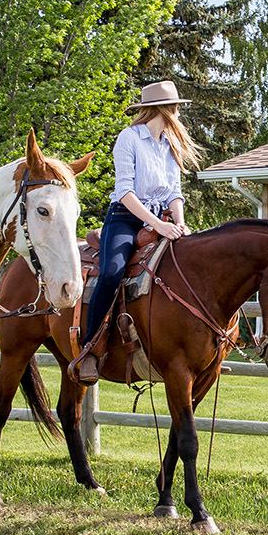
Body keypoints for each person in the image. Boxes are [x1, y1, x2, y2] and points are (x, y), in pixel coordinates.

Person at [68, 80, 200, 382]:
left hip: (163, 218)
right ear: (164, 109)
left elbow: (174, 192)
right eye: (177, 107)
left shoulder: (170, 144)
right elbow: (125, 191)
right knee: (112, 272)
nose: (179, 113)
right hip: (125, 218)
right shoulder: (129, 138)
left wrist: (178, 223)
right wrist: (158, 225)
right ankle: (90, 348)